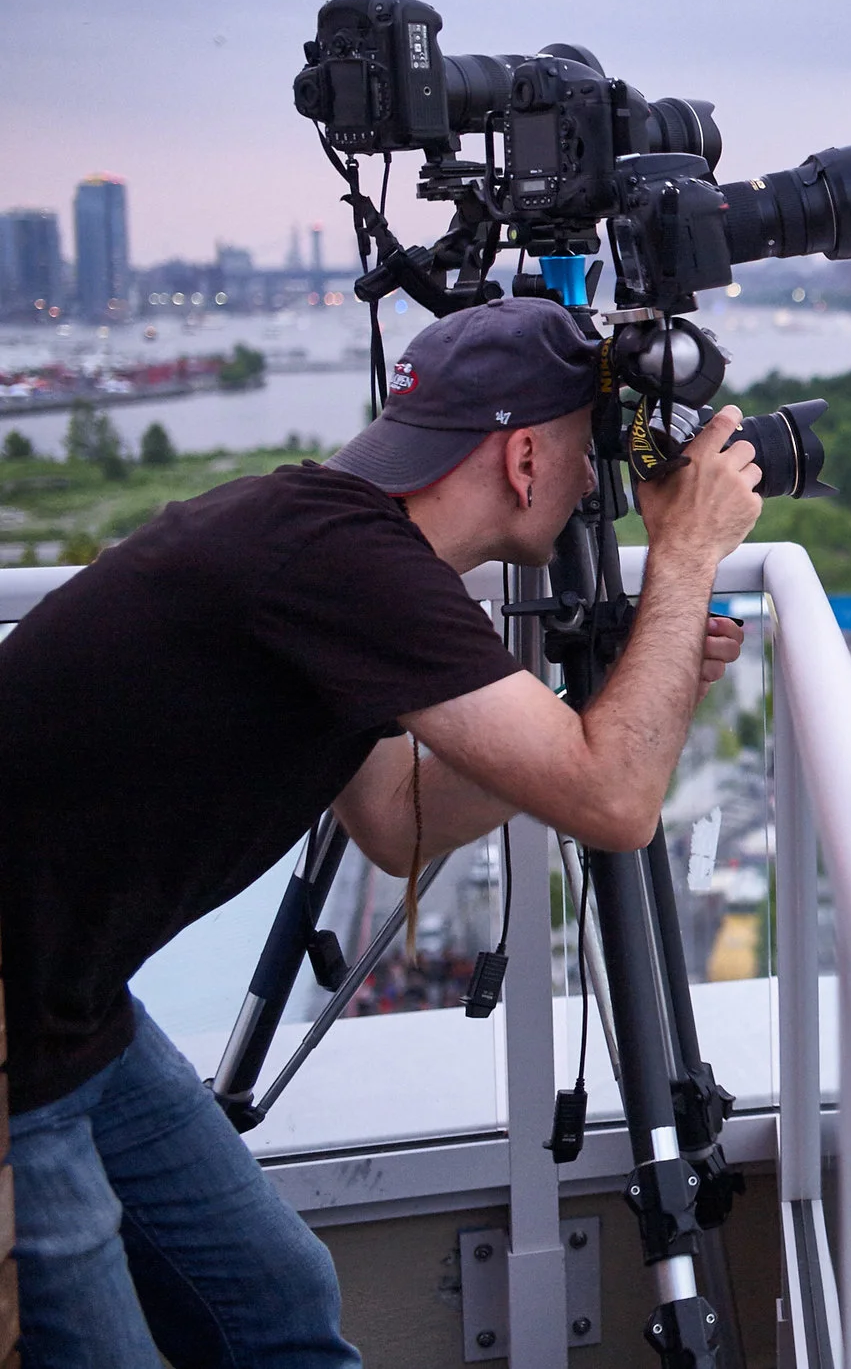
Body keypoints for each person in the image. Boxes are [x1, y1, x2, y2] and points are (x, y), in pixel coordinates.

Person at [0, 297, 763, 1367]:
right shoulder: (347, 563)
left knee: (273, 1297)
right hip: (13, 1032)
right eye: (587, 454)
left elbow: (404, 822)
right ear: (522, 457)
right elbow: (616, 803)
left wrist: (645, 676)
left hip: (67, 1002)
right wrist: (685, 555)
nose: (597, 484)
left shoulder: (337, 544)